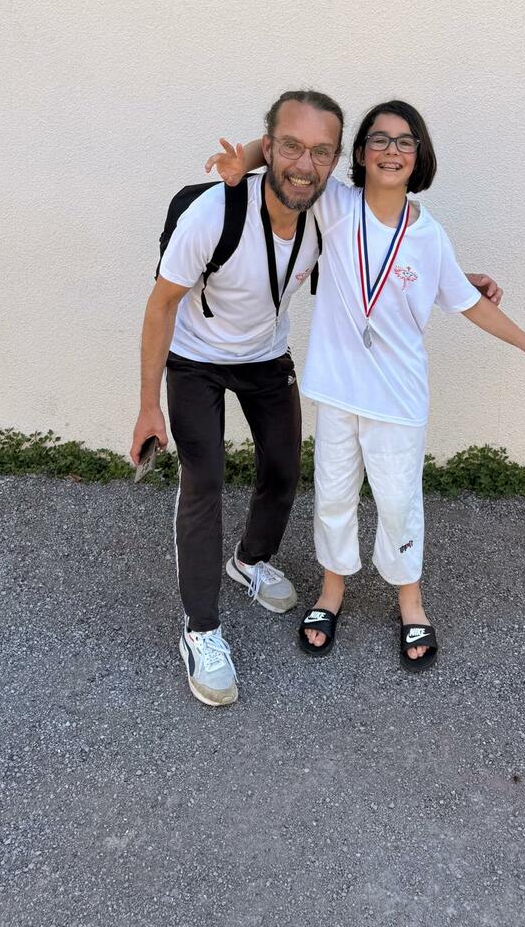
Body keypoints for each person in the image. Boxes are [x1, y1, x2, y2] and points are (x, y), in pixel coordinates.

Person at [206, 101, 525, 672]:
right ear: (359, 154)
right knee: (333, 498)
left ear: (418, 156)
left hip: (398, 398)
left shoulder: (429, 236)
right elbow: (295, 160)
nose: (391, 150)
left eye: (405, 141)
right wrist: (247, 161)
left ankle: (410, 601)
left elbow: (467, 301)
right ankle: (332, 591)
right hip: (338, 392)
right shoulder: (335, 205)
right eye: (379, 140)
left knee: (399, 503)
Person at [129, 90, 345, 707]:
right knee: (204, 481)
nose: (305, 164)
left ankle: (250, 561)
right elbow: (160, 306)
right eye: (291, 147)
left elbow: (393, 244)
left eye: (321, 152)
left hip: (265, 357)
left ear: (335, 161)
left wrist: (458, 282)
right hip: (195, 360)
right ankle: (200, 631)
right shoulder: (212, 214)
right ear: (268, 147)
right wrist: (149, 405)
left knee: (283, 468)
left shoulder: (330, 210)